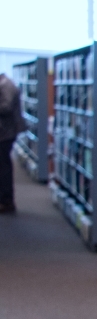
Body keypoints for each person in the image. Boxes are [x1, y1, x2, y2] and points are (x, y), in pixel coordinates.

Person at [0, 72, 26, 213]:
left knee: (3, 167)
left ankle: (6, 201)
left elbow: (6, 107)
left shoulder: (6, 85)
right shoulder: (4, 83)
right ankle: (5, 199)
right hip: (5, 131)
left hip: (6, 132)